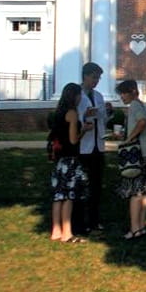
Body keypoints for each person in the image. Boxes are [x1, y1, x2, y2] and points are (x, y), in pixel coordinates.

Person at [75, 62, 111, 234]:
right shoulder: (77, 95)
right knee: (81, 185)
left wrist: (107, 112)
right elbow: (72, 118)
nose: (96, 81)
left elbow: (102, 119)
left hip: (98, 145)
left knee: (96, 185)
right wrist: (84, 116)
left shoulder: (98, 96)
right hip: (83, 146)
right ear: (85, 76)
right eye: (94, 77)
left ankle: (94, 220)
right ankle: (81, 221)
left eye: (98, 78)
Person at [50, 82, 89, 243]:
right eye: (79, 95)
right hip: (70, 158)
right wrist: (83, 130)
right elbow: (73, 140)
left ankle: (56, 230)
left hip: (59, 159)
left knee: (58, 195)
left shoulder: (59, 112)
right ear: (75, 96)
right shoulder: (72, 113)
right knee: (69, 196)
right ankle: (67, 232)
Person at [114, 80, 146, 239]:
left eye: (123, 93)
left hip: (137, 153)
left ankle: (134, 228)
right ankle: (141, 226)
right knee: (144, 191)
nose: (122, 97)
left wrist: (129, 138)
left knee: (135, 192)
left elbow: (142, 122)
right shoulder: (142, 106)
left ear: (131, 92)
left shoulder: (135, 106)